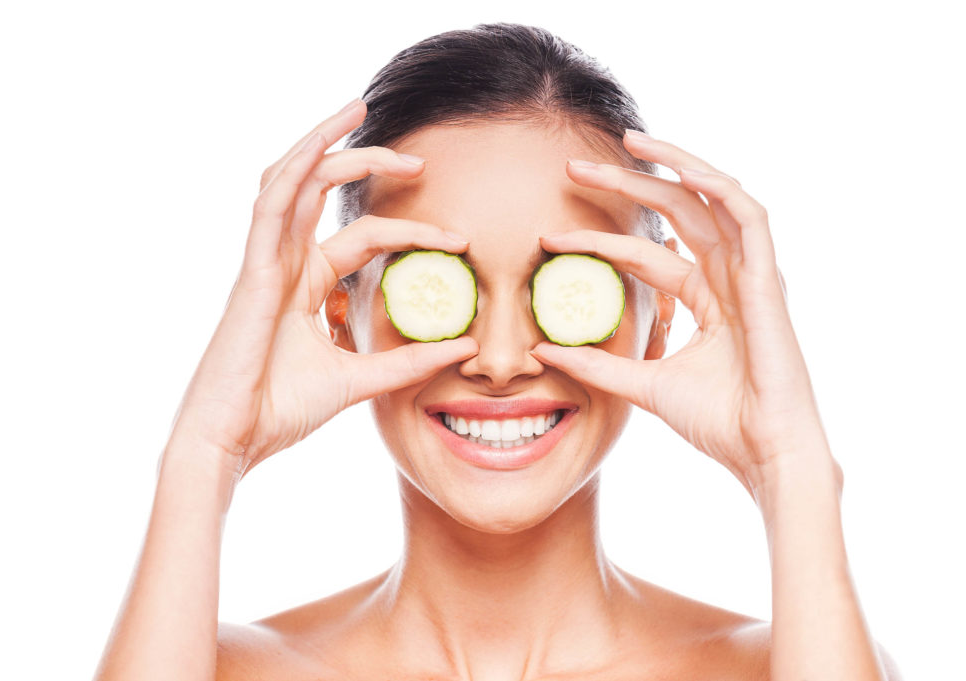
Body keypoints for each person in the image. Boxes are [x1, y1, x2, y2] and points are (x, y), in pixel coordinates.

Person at [93, 22, 903, 681]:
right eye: (441, 286)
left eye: (570, 286)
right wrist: (203, 454)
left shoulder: (786, 666)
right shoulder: (229, 671)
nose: (504, 357)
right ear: (339, 317)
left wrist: (793, 468)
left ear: (657, 323)